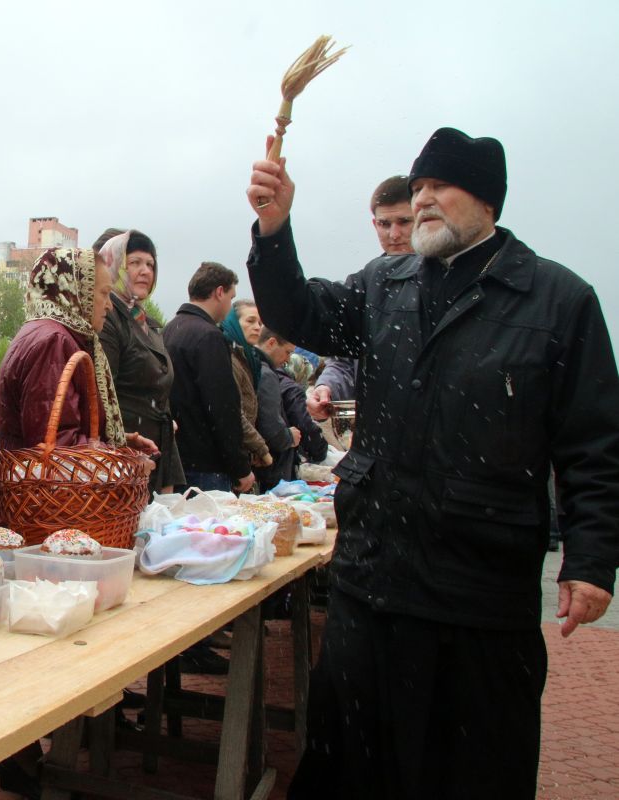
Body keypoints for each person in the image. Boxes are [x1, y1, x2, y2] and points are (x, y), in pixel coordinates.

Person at [246, 127, 619, 799]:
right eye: (415, 188)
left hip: (478, 598)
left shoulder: (557, 301)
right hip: (373, 583)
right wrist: (275, 228)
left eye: (437, 187)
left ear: (486, 200)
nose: (421, 202)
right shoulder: (384, 284)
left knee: (468, 772)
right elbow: (298, 310)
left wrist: (591, 561)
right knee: (354, 767)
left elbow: (593, 443)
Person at [0, 247, 156, 527]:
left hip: (29, 511)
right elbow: (59, 451)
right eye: (103, 293)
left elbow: (57, 428)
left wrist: (118, 440)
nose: (109, 305)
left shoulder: (51, 334)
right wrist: (123, 463)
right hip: (36, 521)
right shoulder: (54, 342)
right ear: (76, 292)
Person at [308, 175, 413, 420]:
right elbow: (344, 361)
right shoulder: (366, 285)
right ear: (374, 224)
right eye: (385, 224)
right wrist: (327, 388)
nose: (394, 234)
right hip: (378, 431)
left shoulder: (449, 280)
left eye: (404, 222)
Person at [96, 229, 185, 495]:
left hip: (158, 448)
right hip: (125, 454)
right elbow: (103, 392)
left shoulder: (146, 322)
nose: (145, 271)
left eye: (150, 264)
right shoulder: (107, 316)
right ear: (114, 265)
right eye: (134, 263)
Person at [163, 263, 255, 494]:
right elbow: (222, 408)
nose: (229, 307)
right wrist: (240, 467)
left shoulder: (170, 329)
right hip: (206, 466)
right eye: (231, 297)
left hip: (177, 460)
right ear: (219, 292)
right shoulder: (209, 336)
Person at [257, 327, 326, 486]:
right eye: (288, 352)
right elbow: (272, 427)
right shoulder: (267, 375)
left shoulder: (261, 370)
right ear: (272, 343)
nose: (288, 360)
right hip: (272, 467)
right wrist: (288, 436)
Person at [219, 299, 272, 470]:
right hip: (228, 459)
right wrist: (260, 448)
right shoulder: (229, 359)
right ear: (233, 322)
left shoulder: (248, 359)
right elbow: (234, 411)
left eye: (259, 322)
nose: (257, 327)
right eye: (250, 321)